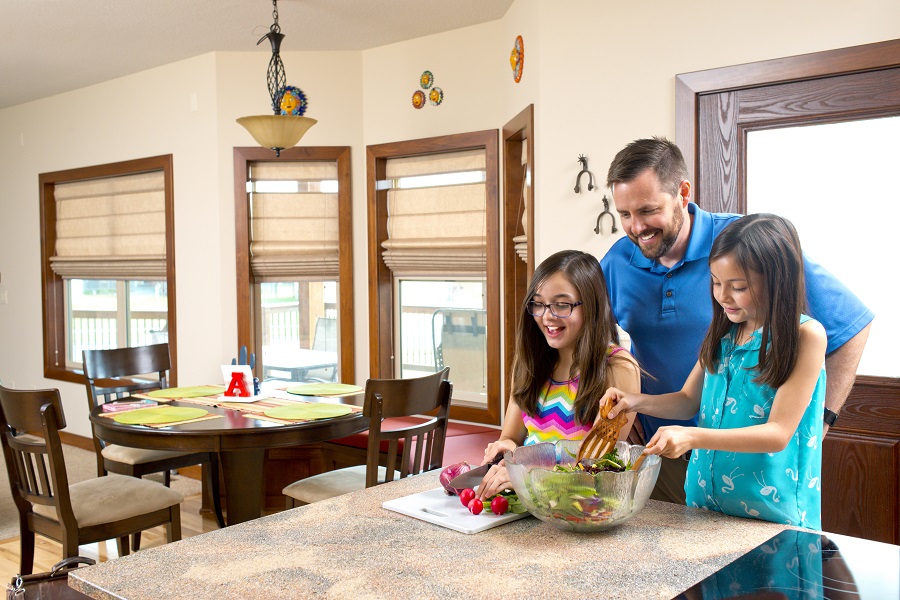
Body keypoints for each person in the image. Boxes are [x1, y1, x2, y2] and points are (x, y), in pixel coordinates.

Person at [600, 137, 873, 504]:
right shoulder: (718, 326)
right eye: (625, 215)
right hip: (681, 466)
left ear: (682, 193)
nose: (636, 227)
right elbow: (681, 396)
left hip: (761, 483)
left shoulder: (748, 244)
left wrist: (821, 421)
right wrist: (631, 404)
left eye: (648, 210)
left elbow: (852, 323)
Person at [605, 213, 827, 529]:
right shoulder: (724, 334)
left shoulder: (806, 336)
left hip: (772, 516)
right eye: (716, 282)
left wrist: (692, 436)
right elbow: (686, 400)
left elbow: (778, 434)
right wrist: (634, 401)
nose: (722, 296)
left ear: (777, 279)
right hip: (705, 505)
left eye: (737, 286)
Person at [476, 249, 640, 500]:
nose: (547, 316)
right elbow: (512, 436)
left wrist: (528, 476)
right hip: (531, 502)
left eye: (562, 305)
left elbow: (597, 467)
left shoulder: (618, 367)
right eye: (539, 304)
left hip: (584, 506)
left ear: (592, 306)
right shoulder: (530, 361)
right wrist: (506, 446)